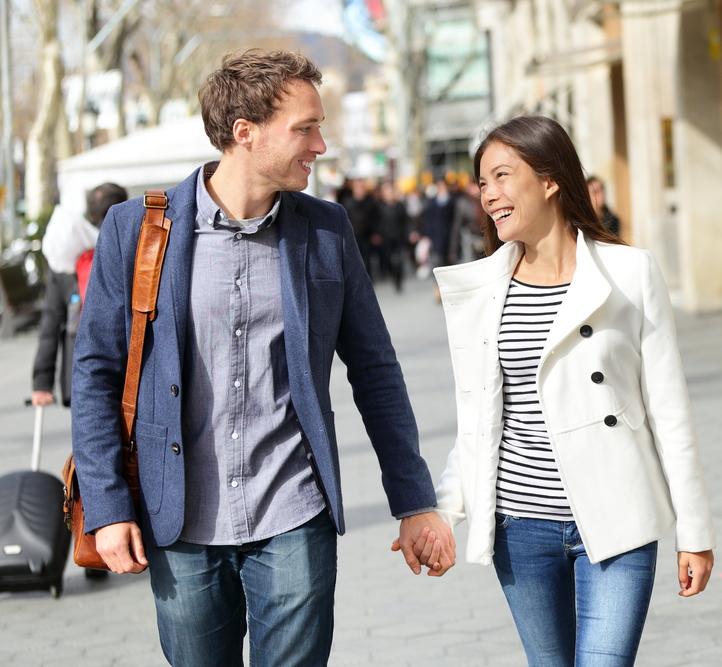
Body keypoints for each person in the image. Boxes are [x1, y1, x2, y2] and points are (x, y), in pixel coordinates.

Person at [71, 50, 455, 667]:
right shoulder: (137, 230)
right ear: (244, 133)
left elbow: (376, 370)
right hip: (181, 521)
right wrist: (108, 508)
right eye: (305, 128)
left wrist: (413, 500)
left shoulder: (326, 231)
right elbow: (95, 374)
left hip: (293, 510)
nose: (321, 145)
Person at [428, 116, 715, 667]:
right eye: (482, 182)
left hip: (618, 518)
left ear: (551, 179)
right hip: (521, 527)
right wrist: (445, 511)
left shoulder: (629, 272)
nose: (489, 195)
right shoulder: (485, 290)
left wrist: (694, 531)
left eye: (502, 176)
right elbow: (479, 421)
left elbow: (669, 410)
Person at [32, 183, 127, 408]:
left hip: (81, 372)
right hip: (129, 371)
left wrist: (42, 383)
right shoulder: (132, 248)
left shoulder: (67, 258)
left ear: (90, 212)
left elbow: (51, 323)